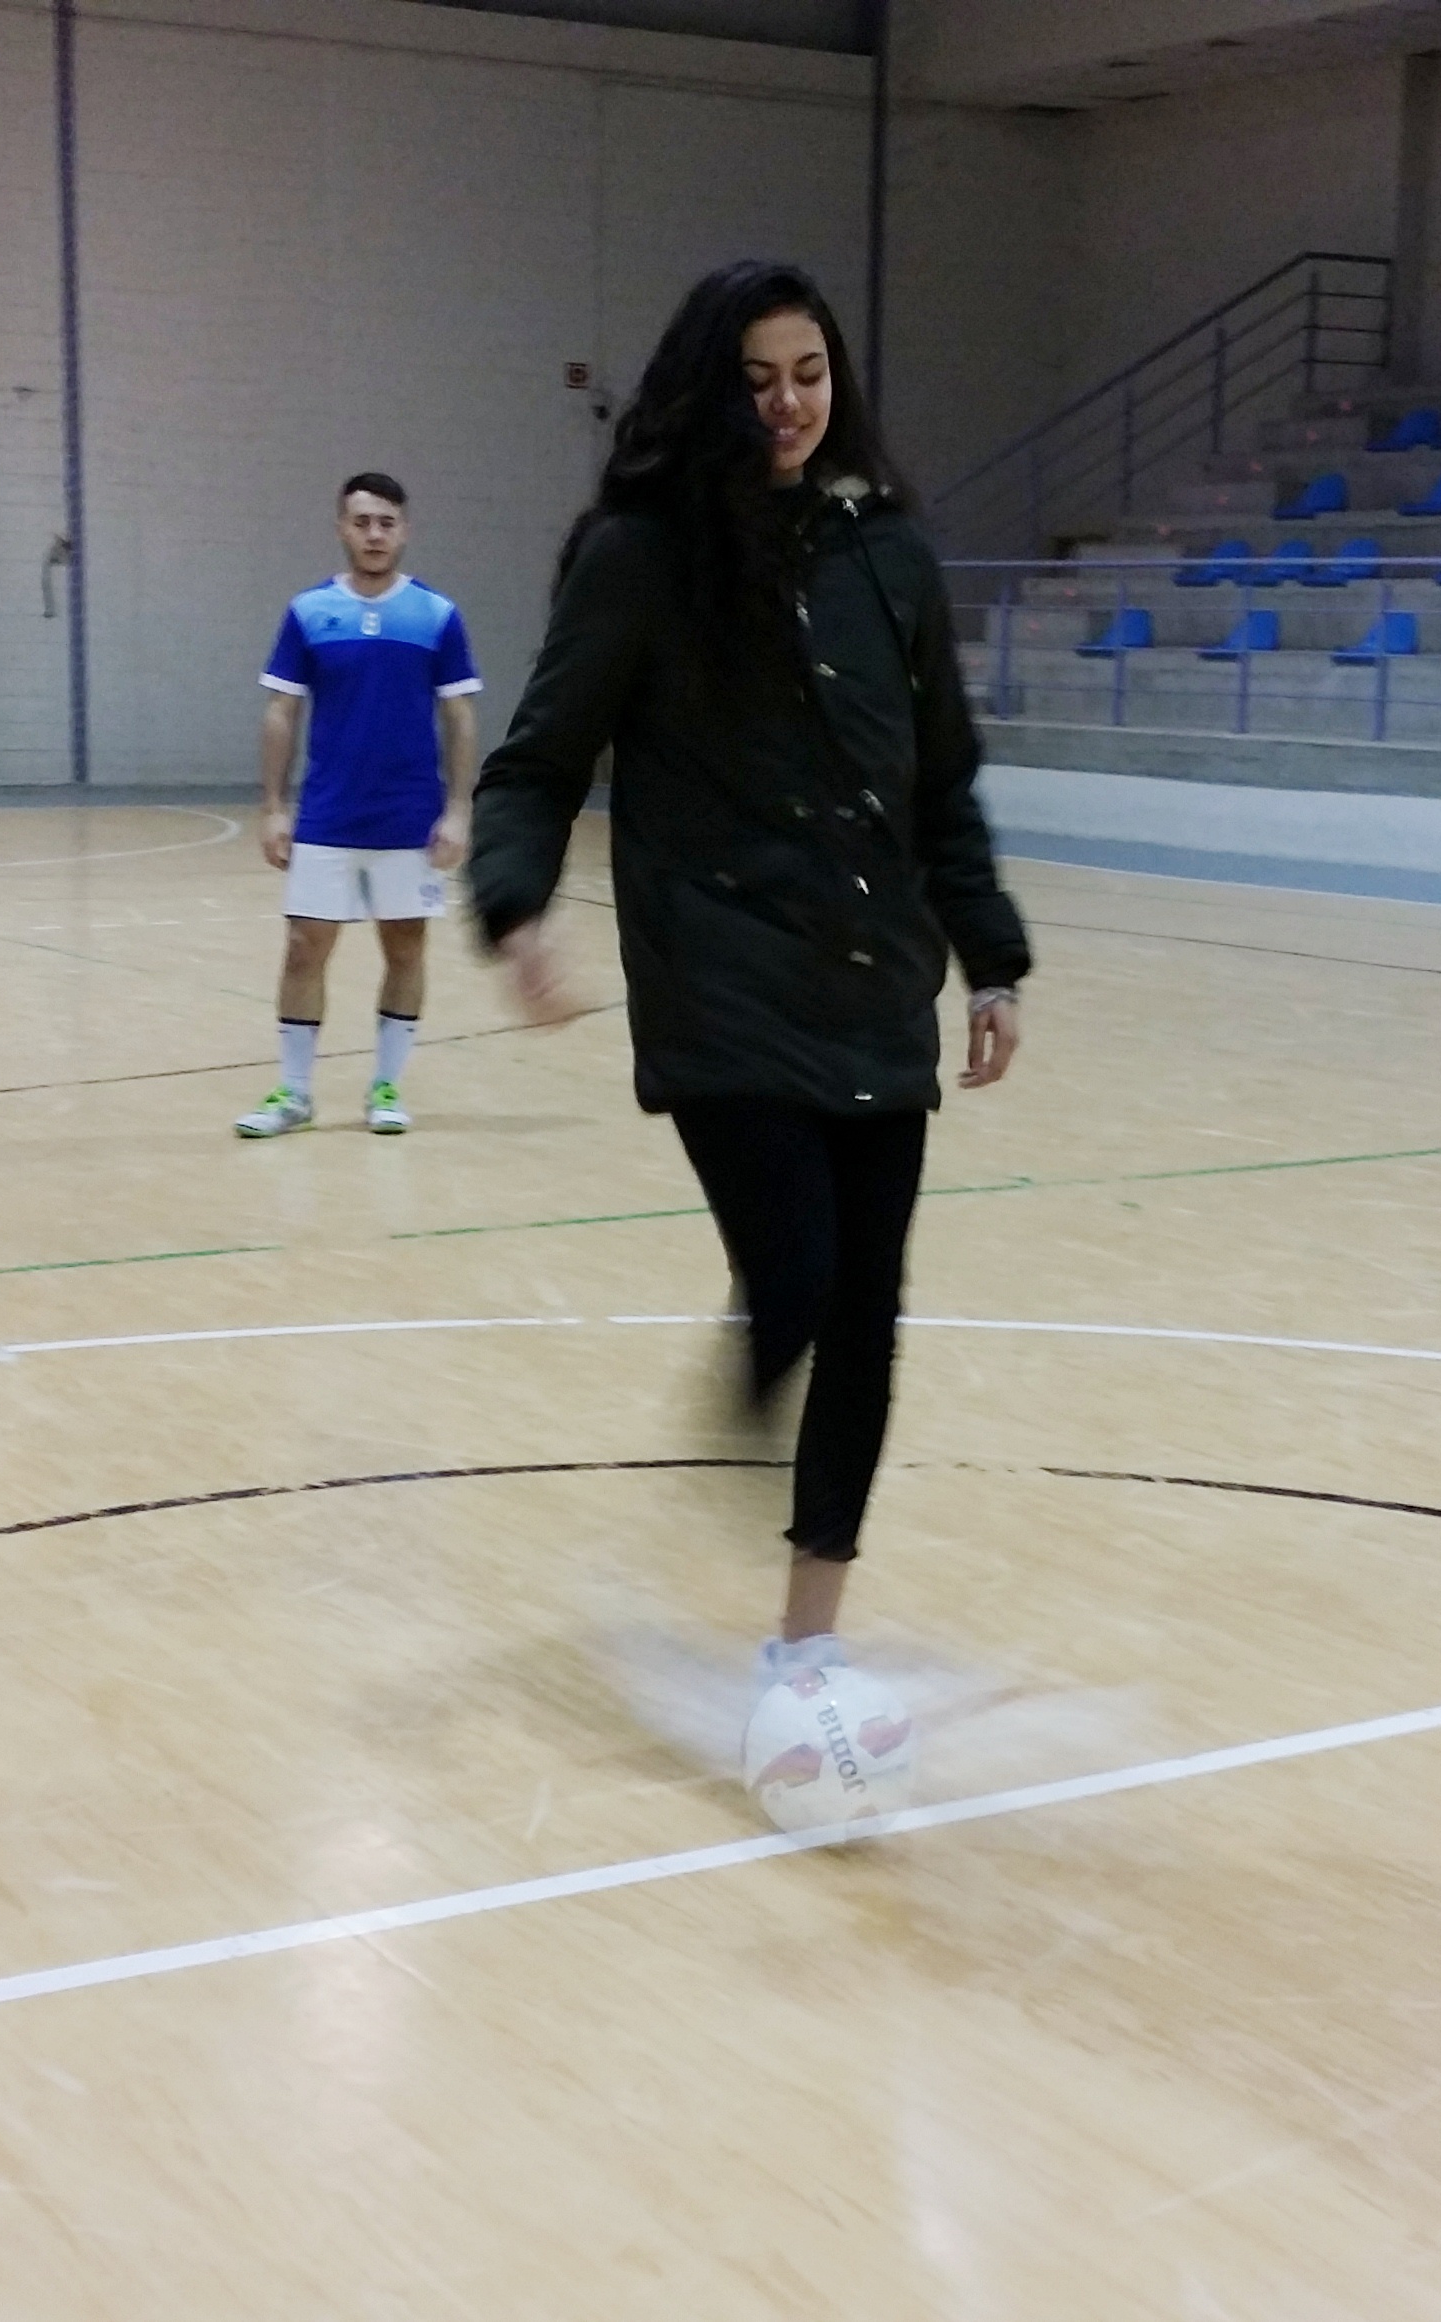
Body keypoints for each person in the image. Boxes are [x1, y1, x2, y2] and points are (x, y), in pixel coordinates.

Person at [467, 259, 1028, 1715]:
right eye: (758, 379)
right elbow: (538, 759)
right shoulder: (642, 554)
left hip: (873, 979)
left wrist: (991, 956)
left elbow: (941, 781)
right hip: (718, 973)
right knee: (799, 1275)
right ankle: (754, 1383)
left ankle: (808, 1641)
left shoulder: (887, 552)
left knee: (868, 1313)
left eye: (810, 374)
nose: (787, 404)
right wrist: (517, 911)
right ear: (709, 390)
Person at [235, 472, 482, 1139]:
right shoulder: (309, 612)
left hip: (409, 818)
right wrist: (273, 806)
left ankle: (386, 1086)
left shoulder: (435, 615)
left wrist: (459, 810)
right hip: (328, 816)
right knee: (302, 949)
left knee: (405, 948)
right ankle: (294, 1094)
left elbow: (460, 718)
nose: (375, 534)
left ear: (404, 531)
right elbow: (281, 711)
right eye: (362, 521)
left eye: (386, 523)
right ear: (342, 528)